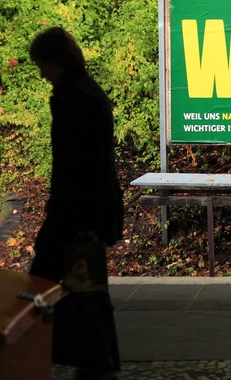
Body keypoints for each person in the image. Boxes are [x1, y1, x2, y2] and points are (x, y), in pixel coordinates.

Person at [28, 27, 123, 379]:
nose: (41, 73)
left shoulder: (73, 96)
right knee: (87, 288)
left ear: (54, 61)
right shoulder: (86, 91)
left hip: (77, 212)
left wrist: (75, 218)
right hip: (88, 210)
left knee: (45, 284)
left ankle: (36, 354)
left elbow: (79, 164)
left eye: (41, 65)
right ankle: (95, 360)